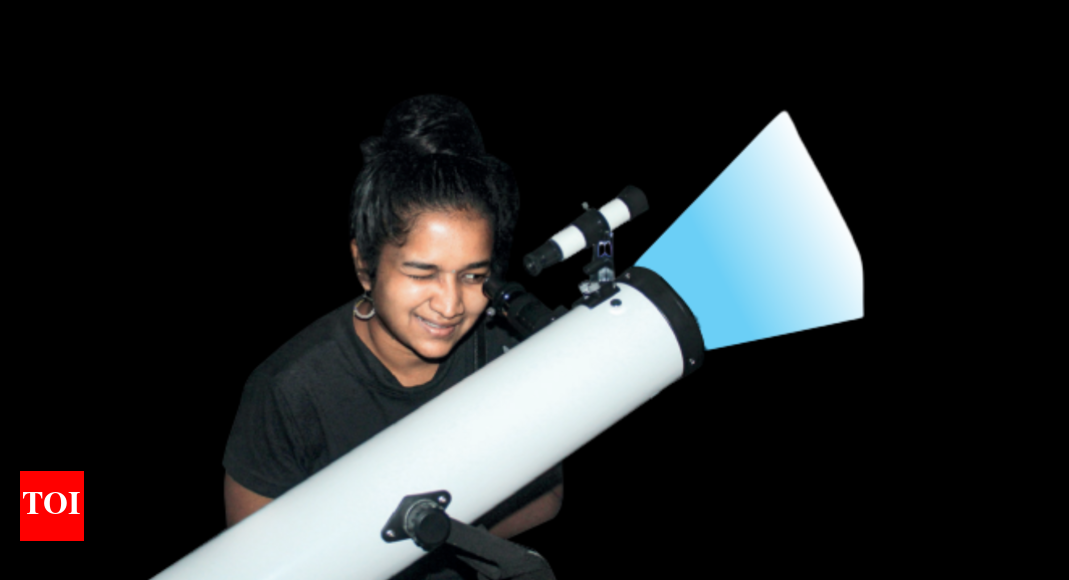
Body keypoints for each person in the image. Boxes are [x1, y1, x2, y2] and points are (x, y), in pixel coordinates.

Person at [222, 94, 563, 579]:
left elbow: (546, 496)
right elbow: (249, 562)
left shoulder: (505, 350)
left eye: (472, 276)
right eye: (422, 273)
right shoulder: (287, 391)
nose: (450, 304)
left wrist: (438, 544)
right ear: (365, 265)